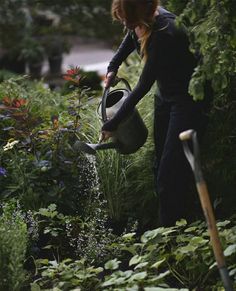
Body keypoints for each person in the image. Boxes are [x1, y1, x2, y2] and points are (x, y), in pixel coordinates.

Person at [101, 0, 212, 227]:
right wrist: (113, 66)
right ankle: (179, 222)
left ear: (140, 15)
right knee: (160, 165)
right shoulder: (148, 18)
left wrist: (113, 123)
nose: (124, 24)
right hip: (166, 95)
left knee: (168, 176)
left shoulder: (165, 33)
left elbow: (142, 86)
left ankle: (172, 236)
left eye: (126, 19)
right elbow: (131, 38)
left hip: (188, 101)